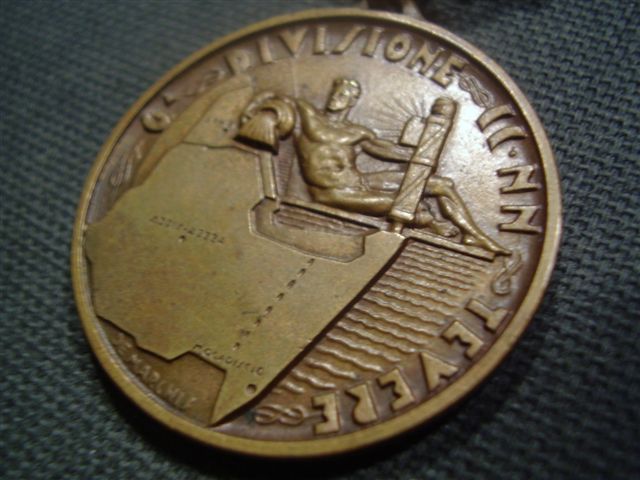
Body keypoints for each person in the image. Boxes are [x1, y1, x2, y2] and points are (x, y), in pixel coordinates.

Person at [238, 78, 508, 254]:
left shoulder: (358, 132)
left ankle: (474, 235)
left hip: (360, 182)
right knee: (408, 208)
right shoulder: (307, 115)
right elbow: (273, 98)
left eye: (346, 94)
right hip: (332, 193)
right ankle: (432, 223)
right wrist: (264, 116)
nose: (338, 96)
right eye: (337, 91)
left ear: (352, 101)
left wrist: (430, 139)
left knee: (442, 185)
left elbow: (394, 153)